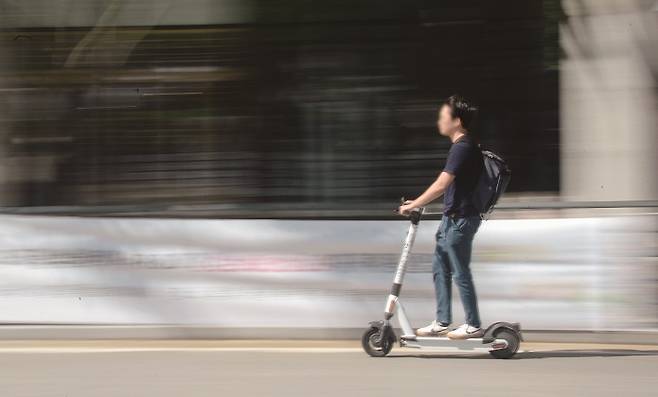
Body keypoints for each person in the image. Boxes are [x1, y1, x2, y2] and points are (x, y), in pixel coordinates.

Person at [398, 94, 485, 339]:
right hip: (451, 219)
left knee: (459, 271)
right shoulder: (461, 146)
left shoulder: (463, 147)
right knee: (440, 268)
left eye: (442, 116)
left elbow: (441, 184)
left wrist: (414, 204)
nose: (439, 121)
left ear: (456, 121)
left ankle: (473, 324)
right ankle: (442, 320)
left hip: (461, 220)